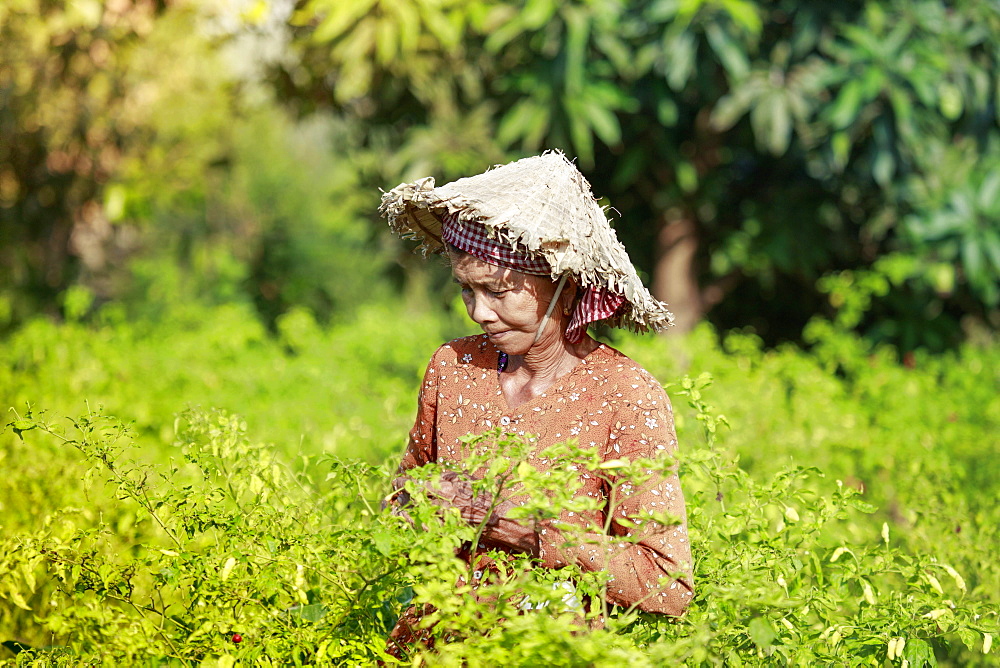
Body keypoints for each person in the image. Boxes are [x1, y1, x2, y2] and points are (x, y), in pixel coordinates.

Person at [379, 151, 693, 653]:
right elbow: (400, 495)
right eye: (466, 289)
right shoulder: (452, 369)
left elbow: (666, 583)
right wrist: (424, 503)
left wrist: (533, 532)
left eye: (499, 292)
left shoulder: (625, 395)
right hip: (434, 646)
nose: (480, 311)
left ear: (565, 287)